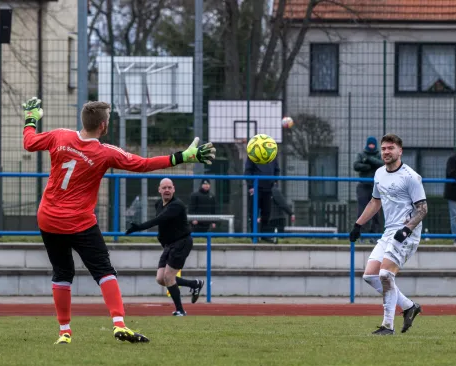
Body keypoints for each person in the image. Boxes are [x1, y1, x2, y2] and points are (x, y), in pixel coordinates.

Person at [21, 97, 215, 344]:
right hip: (80, 221)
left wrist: (30, 119)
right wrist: (182, 157)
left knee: (62, 273)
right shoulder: (104, 153)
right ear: (103, 126)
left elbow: (28, 143)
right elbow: (143, 165)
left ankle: (64, 332)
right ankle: (119, 324)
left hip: (48, 219)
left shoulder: (59, 136)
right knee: (104, 271)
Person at [349, 133, 426, 335]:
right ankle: (409, 306)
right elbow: (375, 202)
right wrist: (358, 225)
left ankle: (387, 326)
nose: (386, 152)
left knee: (385, 274)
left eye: (390, 148)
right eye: (383, 148)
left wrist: (407, 229)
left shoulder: (411, 177)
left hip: (407, 232)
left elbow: (423, 209)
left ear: (400, 151)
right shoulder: (379, 174)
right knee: (370, 275)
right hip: (389, 231)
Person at [125, 178, 204, 316]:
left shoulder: (177, 205)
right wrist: (162, 241)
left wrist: (139, 227)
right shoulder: (158, 204)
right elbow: (163, 227)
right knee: (161, 279)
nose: (167, 190)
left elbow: (158, 220)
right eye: (164, 187)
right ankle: (194, 284)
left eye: (169, 187)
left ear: (173, 189)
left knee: (168, 276)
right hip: (169, 244)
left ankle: (180, 310)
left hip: (182, 242)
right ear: (159, 190)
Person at [353, 136, 384, 242]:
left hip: (376, 186)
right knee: (362, 211)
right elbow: (356, 165)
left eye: (373, 145)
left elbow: (382, 165)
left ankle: (374, 235)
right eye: (369, 144)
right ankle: (361, 234)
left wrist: (368, 160)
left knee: (375, 212)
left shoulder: (379, 155)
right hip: (363, 186)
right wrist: (368, 166)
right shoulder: (361, 154)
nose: (371, 146)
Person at [244, 156, 280, 243]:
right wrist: (251, 186)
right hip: (256, 188)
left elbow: (277, 169)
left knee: (267, 212)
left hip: (268, 188)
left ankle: (265, 235)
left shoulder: (272, 155)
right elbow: (248, 171)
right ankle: (254, 236)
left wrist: (274, 181)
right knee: (253, 213)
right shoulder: (253, 155)